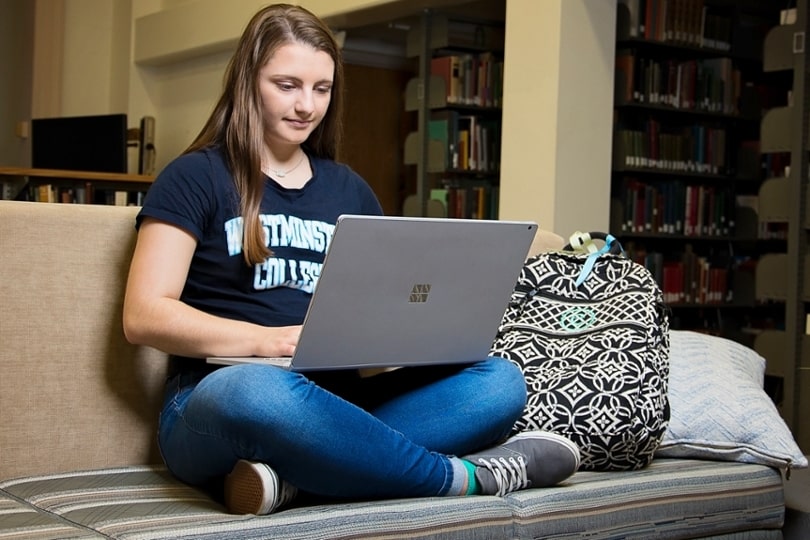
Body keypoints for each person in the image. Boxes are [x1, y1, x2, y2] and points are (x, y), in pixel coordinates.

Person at [123, 3, 580, 515]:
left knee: (497, 382)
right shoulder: (194, 176)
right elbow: (144, 315)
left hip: (340, 401)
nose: (306, 106)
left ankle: (300, 478)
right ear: (248, 82)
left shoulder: (349, 189)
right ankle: (464, 479)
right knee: (253, 389)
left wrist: (409, 336)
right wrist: (268, 341)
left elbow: (381, 312)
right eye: (287, 84)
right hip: (215, 402)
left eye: (322, 89)